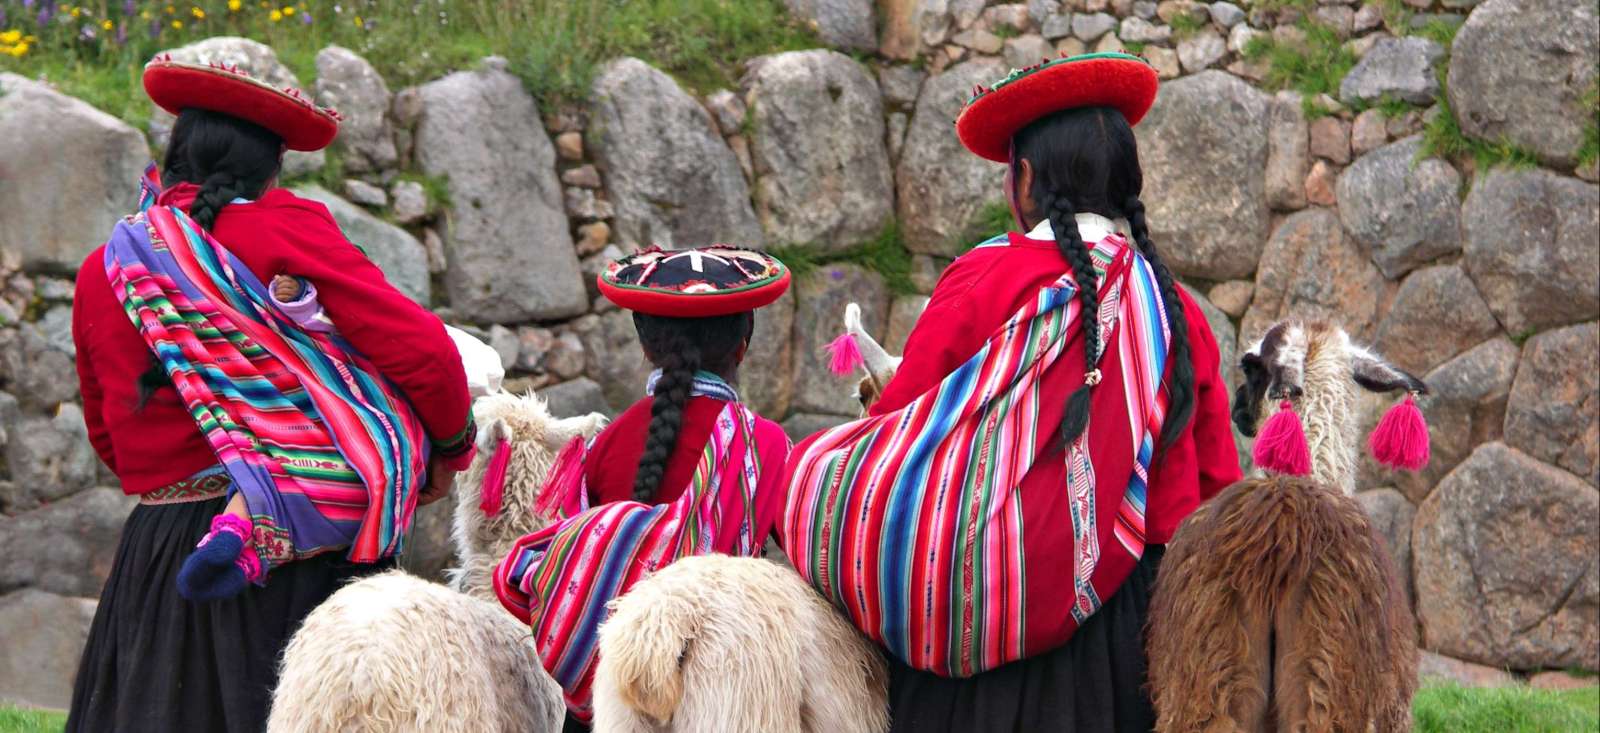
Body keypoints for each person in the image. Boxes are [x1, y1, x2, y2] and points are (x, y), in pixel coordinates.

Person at [783, 53, 1241, 732]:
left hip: (977, 635)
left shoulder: (983, 281)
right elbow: (1212, 493)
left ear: (1024, 179)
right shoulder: (1177, 311)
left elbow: (896, 423)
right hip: (1130, 646)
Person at [68, 57, 474, 732]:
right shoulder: (284, 230)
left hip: (160, 552)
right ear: (269, 167)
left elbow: (108, 437)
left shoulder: (106, 267)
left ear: (176, 154)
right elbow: (424, 353)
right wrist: (449, 445)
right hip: (294, 552)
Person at [494, 245, 793, 730]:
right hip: (720, 686)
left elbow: (575, 553)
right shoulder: (768, 447)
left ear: (646, 347)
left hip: (610, 684)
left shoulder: (605, 443)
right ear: (743, 344)